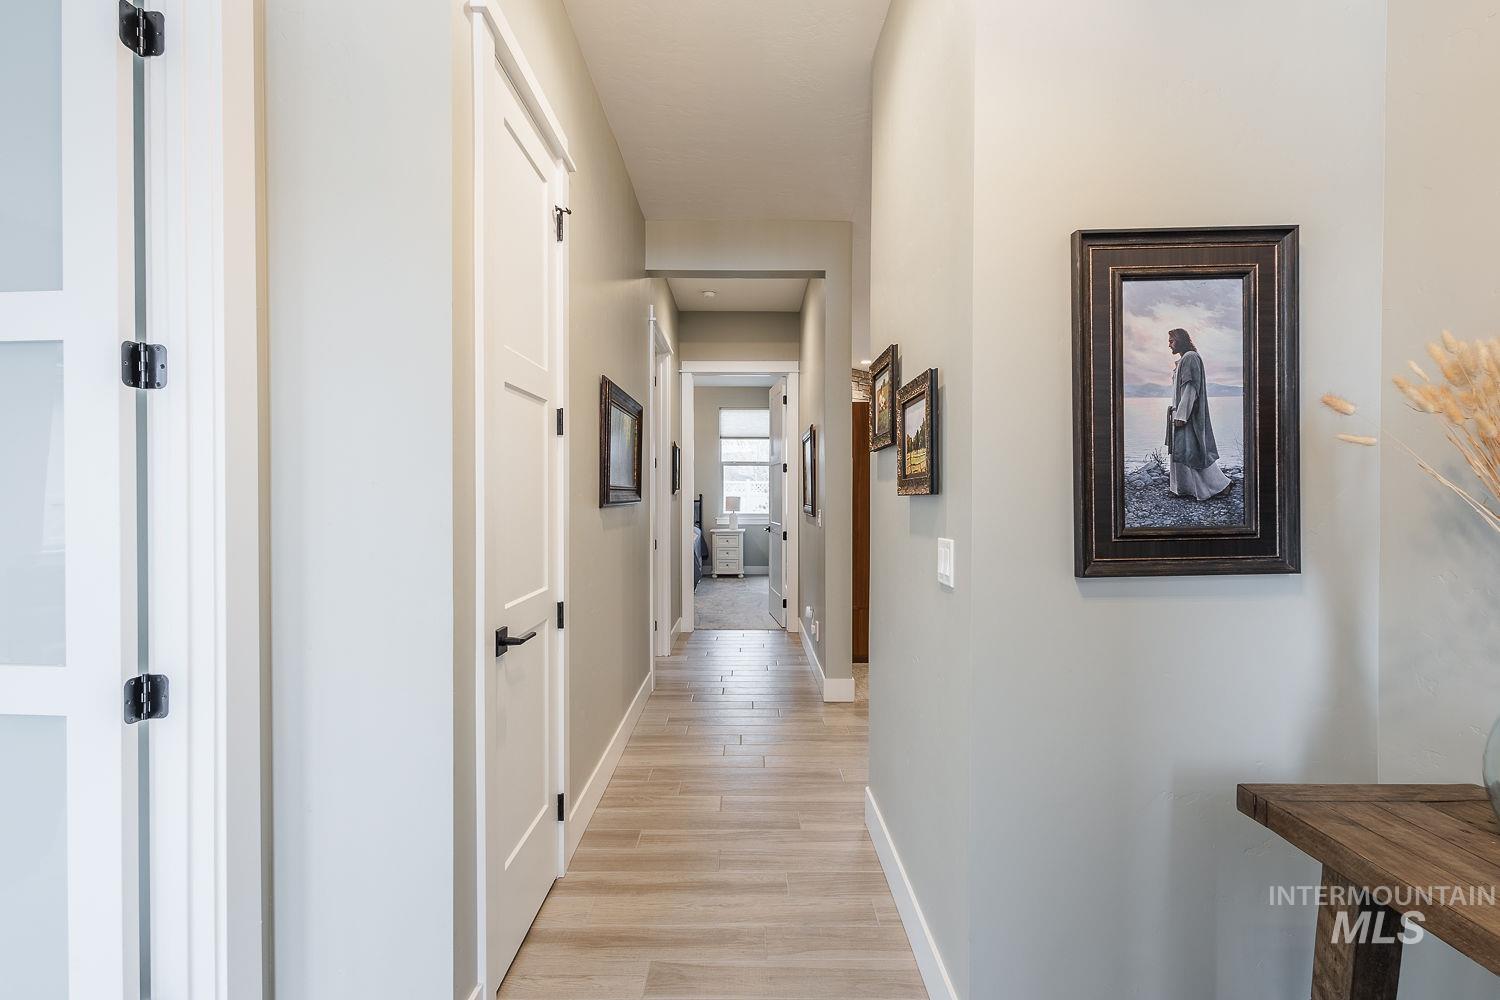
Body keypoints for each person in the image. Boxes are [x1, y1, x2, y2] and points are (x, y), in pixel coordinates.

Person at [1164, 327, 1232, 500]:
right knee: (1182, 451)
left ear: (1180, 340)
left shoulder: (1190, 357)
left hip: (1188, 416)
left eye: (1172, 340)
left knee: (1193, 451)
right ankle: (1183, 489)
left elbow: (1190, 387)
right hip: (1181, 413)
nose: (1169, 344)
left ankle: (1220, 486)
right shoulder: (1184, 360)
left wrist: (1181, 415)